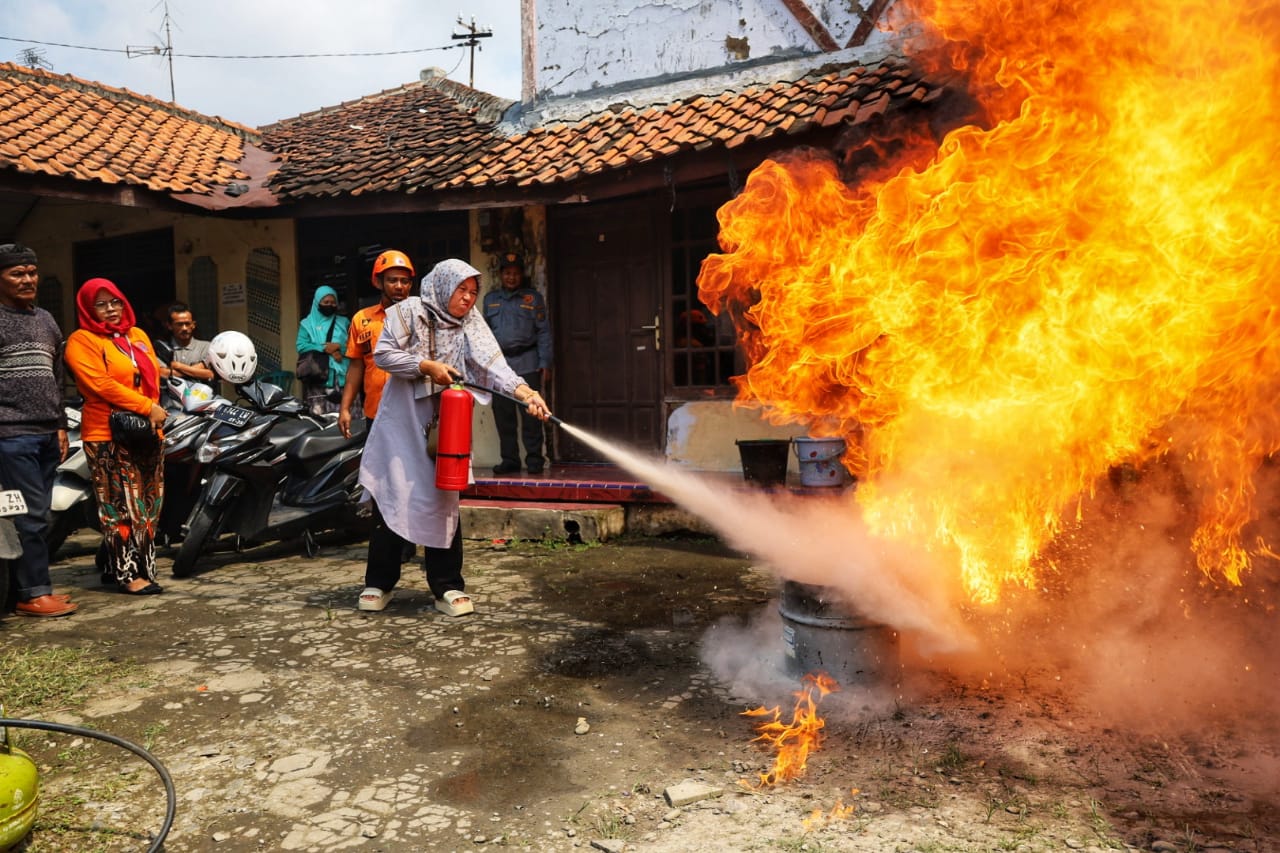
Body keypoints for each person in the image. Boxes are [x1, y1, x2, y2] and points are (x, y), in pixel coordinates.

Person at [356, 258, 551, 616]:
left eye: (473, 292)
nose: (467, 298)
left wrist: (526, 394)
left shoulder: (470, 322)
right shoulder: (409, 311)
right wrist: (424, 366)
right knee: (392, 494)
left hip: (445, 421)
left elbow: (495, 366)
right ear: (444, 285)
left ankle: (447, 586)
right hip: (401, 420)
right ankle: (379, 582)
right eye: (462, 290)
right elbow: (383, 355)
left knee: (444, 498)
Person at [64, 278, 167, 595]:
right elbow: (100, 384)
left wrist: (153, 417)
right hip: (106, 433)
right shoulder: (81, 341)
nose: (110, 309)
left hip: (147, 431)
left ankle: (136, 568)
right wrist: (146, 407)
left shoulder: (136, 335)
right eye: (101, 304)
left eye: (115, 302)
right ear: (88, 308)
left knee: (149, 503)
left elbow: (152, 377)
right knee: (118, 505)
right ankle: (127, 575)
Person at [0, 243, 77, 617]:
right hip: (11, 435)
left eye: (31, 272)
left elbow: (56, 377)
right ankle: (31, 593)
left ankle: (33, 587)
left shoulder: (46, 319)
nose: (28, 279)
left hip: (47, 433)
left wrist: (60, 425)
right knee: (28, 516)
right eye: (17, 273)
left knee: (41, 512)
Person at [483, 252, 553, 475]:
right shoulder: (490, 299)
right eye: (507, 273)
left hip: (528, 362)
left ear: (521, 275)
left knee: (531, 415)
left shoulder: (532, 299)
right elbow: (483, 335)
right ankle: (510, 460)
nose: (511, 277)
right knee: (504, 417)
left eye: (515, 273)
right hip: (499, 365)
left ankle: (534, 461)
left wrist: (546, 363)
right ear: (501, 275)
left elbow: (543, 332)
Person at [296, 285, 349, 415]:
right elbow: (301, 346)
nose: (330, 305)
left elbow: (354, 346)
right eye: (326, 302)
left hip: (343, 378)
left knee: (346, 417)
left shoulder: (344, 322)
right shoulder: (307, 324)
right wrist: (325, 348)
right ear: (317, 303)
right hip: (319, 377)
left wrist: (339, 347)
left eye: (333, 302)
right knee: (320, 419)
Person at [158, 302, 215, 382]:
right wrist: (197, 371)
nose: (184, 328)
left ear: (193, 325)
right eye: (179, 324)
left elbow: (210, 374)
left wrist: (179, 366)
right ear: (169, 326)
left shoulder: (207, 347)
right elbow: (162, 373)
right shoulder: (161, 349)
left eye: (187, 324)